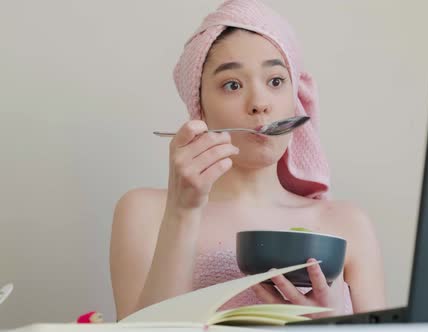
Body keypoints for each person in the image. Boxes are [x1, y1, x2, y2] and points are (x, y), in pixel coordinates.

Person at [110, 0, 386, 321]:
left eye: (276, 81)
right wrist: (183, 211)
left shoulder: (347, 224)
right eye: (232, 85)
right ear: (199, 107)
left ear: (296, 100)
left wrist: (331, 326)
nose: (259, 104)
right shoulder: (146, 211)